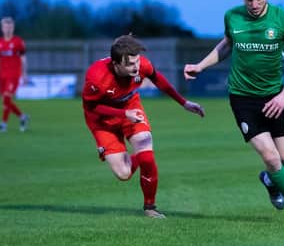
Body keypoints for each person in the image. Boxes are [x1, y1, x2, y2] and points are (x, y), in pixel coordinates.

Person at [184, 0, 284, 225]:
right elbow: (227, 45)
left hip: (275, 96)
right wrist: (201, 65)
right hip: (243, 98)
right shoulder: (232, 17)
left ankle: (269, 181)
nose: (253, 4)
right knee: (272, 157)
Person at [82, 34, 205, 218]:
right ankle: (140, 156)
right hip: (102, 121)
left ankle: (150, 207)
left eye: (137, 61)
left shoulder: (142, 65)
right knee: (123, 174)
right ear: (116, 64)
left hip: (132, 109)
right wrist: (123, 114)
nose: (136, 67)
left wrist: (184, 102)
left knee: (146, 154)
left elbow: (159, 80)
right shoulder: (97, 77)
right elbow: (91, 107)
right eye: (130, 64)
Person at [0, 17, 29, 132]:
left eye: (10, 27)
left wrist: (24, 74)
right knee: (5, 101)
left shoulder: (18, 42)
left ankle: (3, 124)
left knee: (7, 98)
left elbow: (23, 59)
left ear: (13, 28)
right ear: (2, 28)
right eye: (5, 27)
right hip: (2, 75)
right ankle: (22, 117)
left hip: (14, 75)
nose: (7, 29)